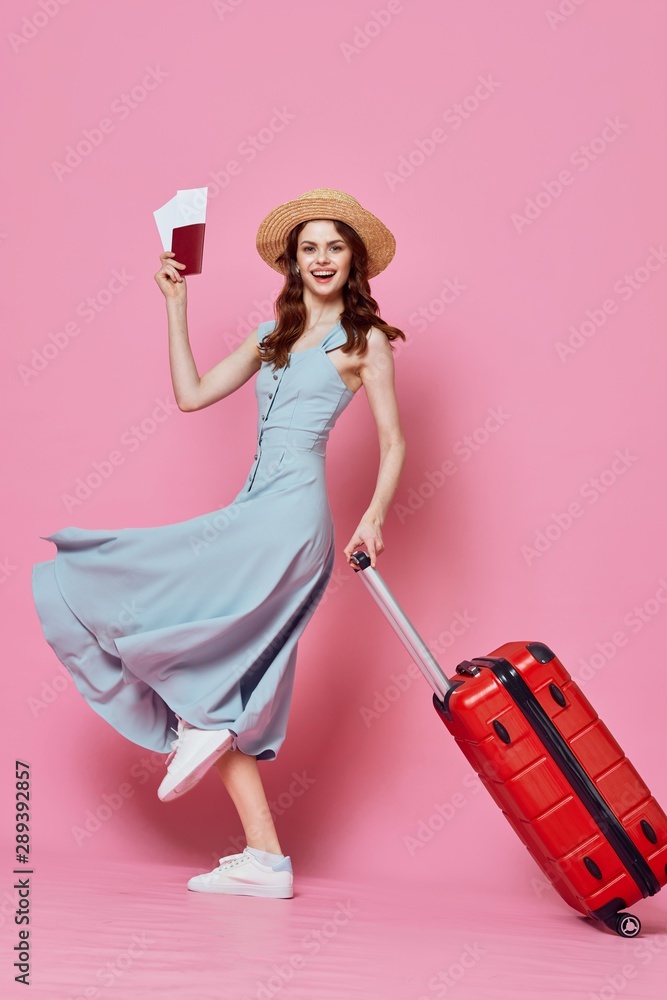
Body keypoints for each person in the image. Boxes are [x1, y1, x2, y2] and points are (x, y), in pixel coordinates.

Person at [31, 187, 407, 898]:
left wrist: (375, 516)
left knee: (203, 652)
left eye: (333, 246)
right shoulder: (272, 339)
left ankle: (201, 727)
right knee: (226, 674)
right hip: (254, 506)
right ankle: (265, 859)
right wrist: (176, 308)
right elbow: (192, 394)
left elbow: (393, 443)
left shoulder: (366, 343)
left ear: (353, 259)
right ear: (292, 264)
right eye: (308, 248)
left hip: (292, 517)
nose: (321, 258)